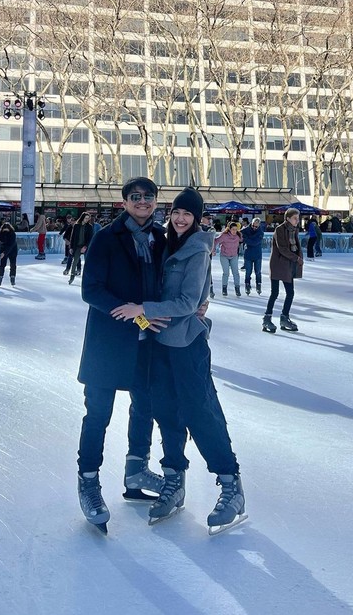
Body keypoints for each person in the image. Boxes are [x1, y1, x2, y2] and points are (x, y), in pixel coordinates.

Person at [111, 187, 245, 533]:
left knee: (201, 412)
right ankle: (174, 478)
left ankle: (230, 485)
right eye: (176, 213)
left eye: (188, 214)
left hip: (187, 344)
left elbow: (187, 302)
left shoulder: (199, 248)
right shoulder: (167, 243)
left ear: (197, 218)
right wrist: (145, 315)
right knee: (165, 412)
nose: (181, 218)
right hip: (159, 342)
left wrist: (143, 309)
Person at [76, 177, 184, 534]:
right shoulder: (106, 238)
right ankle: (89, 481)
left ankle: (135, 472)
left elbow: (172, 283)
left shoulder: (161, 238)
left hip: (147, 343)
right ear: (124, 203)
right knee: (98, 415)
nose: (142, 202)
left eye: (148, 197)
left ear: (156, 202)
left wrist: (196, 302)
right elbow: (91, 289)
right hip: (109, 343)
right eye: (135, 197)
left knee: (145, 407)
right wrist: (137, 314)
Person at [263, 207, 303, 333]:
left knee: (290, 293)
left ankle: (284, 317)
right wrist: (297, 258)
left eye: (298, 218)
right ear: (288, 218)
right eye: (295, 218)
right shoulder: (280, 229)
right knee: (274, 293)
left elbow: (295, 247)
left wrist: (297, 258)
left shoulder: (294, 230)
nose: (297, 221)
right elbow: (282, 248)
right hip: (278, 264)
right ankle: (267, 318)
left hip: (288, 265)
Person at [214, 222, 242, 297]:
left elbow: (244, 238)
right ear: (229, 229)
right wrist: (213, 250)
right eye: (233, 229)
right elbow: (216, 241)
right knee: (226, 273)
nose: (234, 231)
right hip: (224, 256)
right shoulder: (224, 236)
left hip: (234, 256)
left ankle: (237, 288)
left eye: (236, 230)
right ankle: (224, 289)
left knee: (236, 273)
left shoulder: (238, 236)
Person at [65, 212, 94, 284]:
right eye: (86, 218)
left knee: (89, 262)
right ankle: (72, 277)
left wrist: (85, 246)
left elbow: (90, 238)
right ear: (82, 218)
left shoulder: (89, 226)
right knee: (75, 261)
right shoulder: (76, 226)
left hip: (85, 246)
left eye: (88, 218)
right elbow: (72, 237)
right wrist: (71, 247)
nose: (87, 220)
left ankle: (90, 279)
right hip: (77, 246)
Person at [241, 216, 265, 294]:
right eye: (253, 225)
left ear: (259, 225)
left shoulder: (260, 232)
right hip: (248, 254)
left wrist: (245, 239)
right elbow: (239, 233)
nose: (254, 227)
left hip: (257, 255)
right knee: (248, 272)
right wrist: (246, 239)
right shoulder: (246, 229)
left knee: (258, 271)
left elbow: (255, 242)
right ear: (251, 223)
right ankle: (247, 285)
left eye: (256, 226)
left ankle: (258, 284)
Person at [0, 221, 18, 286]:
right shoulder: (0, 234)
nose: (5, 232)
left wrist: (4, 253)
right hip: (3, 248)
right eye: (4, 230)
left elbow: (11, 245)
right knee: (2, 264)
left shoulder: (12, 234)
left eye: (7, 230)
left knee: (13, 264)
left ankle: (12, 278)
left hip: (12, 250)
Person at [200, 211, 216, 299]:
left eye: (210, 219)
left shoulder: (211, 229)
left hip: (207, 252)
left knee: (207, 270)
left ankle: (210, 289)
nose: (209, 220)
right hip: (198, 253)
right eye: (208, 218)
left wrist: (212, 249)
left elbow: (212, 240)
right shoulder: (197, 227)